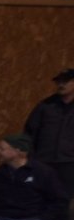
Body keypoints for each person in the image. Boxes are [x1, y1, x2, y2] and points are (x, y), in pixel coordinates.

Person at [0, 133, 68, 220]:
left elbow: (59, 200)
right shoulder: (0, 172)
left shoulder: (43, 172)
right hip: (0, 217)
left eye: (2, 149)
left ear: (17, 150)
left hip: (30, 219)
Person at [23, 67, 74, 212]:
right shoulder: (46, 106)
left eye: (65, 81)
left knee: (63, 199)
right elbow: (30, 132)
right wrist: (30, 157)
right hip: (44, 161)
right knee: (39, 196)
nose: (61, 85)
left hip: (69, 163)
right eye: (58, 81)